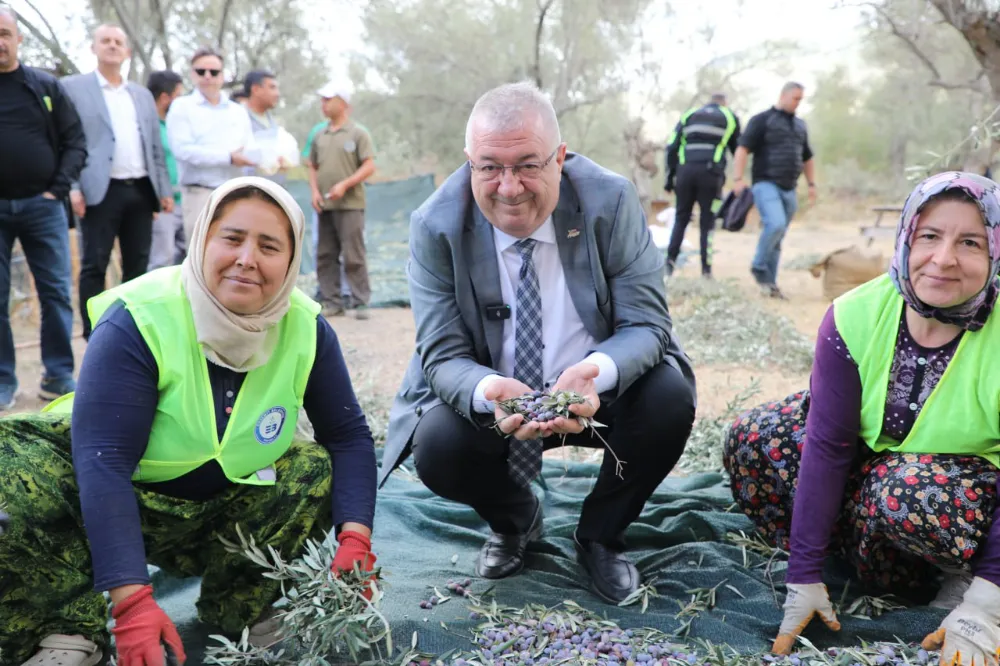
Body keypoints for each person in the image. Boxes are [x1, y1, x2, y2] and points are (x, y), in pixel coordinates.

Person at [0, 177, 378, 666]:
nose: (247, 258)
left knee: (311, 468)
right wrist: (132, 602)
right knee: (11, 470)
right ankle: (67, 626)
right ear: (202, 240)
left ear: (290, 261)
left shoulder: (304, 329)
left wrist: (356, 537)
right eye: (232, 238)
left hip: (213, 508)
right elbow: (105, 463)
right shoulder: (140, 318)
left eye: (269, 246)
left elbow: (348, 436)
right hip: (101, 498)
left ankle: (239, 606)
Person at [380, 81, 697, 604]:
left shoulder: (608, 200)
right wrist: (488, 391)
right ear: (469, 163)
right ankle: (516, 518)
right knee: (436, 444)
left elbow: (648, 324)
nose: (509, 187)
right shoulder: (434, 225)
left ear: (560, 157)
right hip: (501, 402)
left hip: (598, 395)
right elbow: (440, 355)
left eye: (527, 164)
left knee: (668, 397)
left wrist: (597, 372)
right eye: (490, 167)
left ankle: (599, 535)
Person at [723, 172, 1000, 665]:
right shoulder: (854, 314)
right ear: (905, 238)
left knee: (902, 490)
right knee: (756, 436)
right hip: (873, 481)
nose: (944, 258)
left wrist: (989, 598)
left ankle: (964, 579)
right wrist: (804, 573)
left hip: (961, 504)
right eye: (929, 236)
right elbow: (827, 447)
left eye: (971, 242)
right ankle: (843, 563)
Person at [62, 25, 174, 340]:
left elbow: (154, 144)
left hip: (140, 189)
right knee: (94, 264)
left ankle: (132, 330)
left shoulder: (140, 94)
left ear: (127, 51)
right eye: (106, 41)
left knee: (138, 266)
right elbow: (66, 140)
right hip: (98, 190)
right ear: (94, 48)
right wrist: (72, 187)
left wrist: (163, 190)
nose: (112, 46)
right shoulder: (74, 88)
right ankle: (93, 333)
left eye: (118, 42)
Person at [0, 5, 87, 409]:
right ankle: (3, 380)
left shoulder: (45, 86)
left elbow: (75, 140)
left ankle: (58, 375)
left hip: (43, 206)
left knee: (55, 293)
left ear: (18, 39)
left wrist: (57, 189)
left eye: (4, 33)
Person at [731, 82, 816, 299]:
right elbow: (742, 149)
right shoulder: (762, 120)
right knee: (775, 224)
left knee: (778, 237)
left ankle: (770, 285)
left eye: (801, 99)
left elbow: (807, 157)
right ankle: (759, 266)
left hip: (790, 188)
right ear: (784, 95)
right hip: (765, 183)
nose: (798, 103)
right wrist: (738, 178)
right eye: (796, 98)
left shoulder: (800, 125)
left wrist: (812, 184)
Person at [166, 46, 256, 248]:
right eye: (201, 71)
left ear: (222, 75)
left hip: (236, 193)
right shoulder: (182, 107)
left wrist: (268, 159)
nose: (207, 76)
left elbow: (249, 146)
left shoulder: (238, 111)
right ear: (192, 74)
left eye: (214, 72)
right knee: (201, 256)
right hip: (199, 194)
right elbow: (183, 151)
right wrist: (228, 158)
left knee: (236, 254)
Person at [308, 81, 376, 319]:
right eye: (322, 100)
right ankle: (332, 301)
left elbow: (369, 166)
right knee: (325, 254)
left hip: (350, 205)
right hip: (325, 206)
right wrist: (314, 192)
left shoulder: (358, 133)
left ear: (343, 103)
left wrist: (345, 185)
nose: (323, 104)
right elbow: (312, 166)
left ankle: (359, 302)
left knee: (353, 253)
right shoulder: (319, 134)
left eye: (328, 99)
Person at [664, 93, 741, 278]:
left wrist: (669, 178)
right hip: (711, 177)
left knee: (681, 219)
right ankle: (706, 271)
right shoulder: (729, 116)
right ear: (724, 103)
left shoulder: (689, 114)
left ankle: (669, 266)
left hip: (685, 174)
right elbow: (738, 149)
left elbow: (672, 146)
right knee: (708, 222)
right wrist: (737, 178)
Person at [146, 69, 187, 270]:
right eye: (178, 96)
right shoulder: (147, 128)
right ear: (165, 98)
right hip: (161, 206)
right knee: (161, 260)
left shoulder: (175, 127)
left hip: (184, 201)